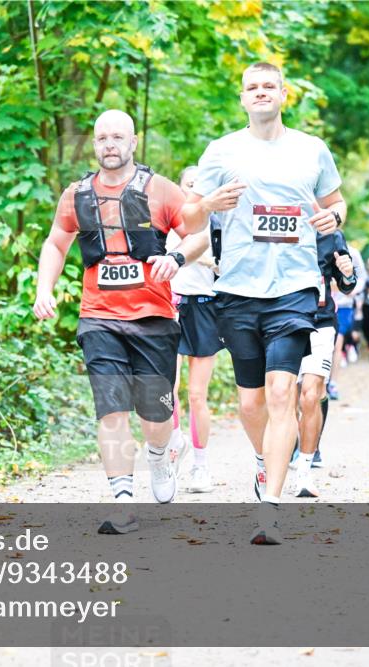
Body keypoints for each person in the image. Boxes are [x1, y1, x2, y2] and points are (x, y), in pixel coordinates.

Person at [181, 62, 344, 544]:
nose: (260, 93)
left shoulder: (311, 149)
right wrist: (209, 205)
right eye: (252, 87)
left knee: (281, 395)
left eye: (268, 86)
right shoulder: (221, 151)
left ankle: (270, 509)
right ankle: (262, 460)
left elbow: (336, 202)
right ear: (242, 97)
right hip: (236, 289)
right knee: (249, 402)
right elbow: (187, 217)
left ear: (283, 94)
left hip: (294, 289)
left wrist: (333, 220)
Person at [34, 109, 202, 535]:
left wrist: (175, 256)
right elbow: (56, 242)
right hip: (99, 318)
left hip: (154, 317)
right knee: (111, 409)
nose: (110, 145)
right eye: (102, 138)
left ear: (133, 142)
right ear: (95, 144)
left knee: (154, 417)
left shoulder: (161, 190)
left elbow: (200, 233)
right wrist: (44, 290)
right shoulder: (76, 194)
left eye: (118, 137)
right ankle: (123, 502)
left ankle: (162, 453)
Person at [167, 166, 223, 494]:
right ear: (179, 188)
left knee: (197, 394)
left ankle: (201, 465)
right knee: (166, 389)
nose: (194, 190)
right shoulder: (165, 225)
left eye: (201, 185)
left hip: (205, 309)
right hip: (170, 307)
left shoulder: (219, 226)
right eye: (189, 184)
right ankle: (175, 445)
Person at [294, 231, 357, 497]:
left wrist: (347, 272)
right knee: (287, 395)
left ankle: (304, 467)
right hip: (280, 321)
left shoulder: (330, 234)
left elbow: (347, 285)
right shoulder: (273, 225)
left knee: (312, 393)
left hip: (320, 322)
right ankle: (288, 449)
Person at [326, 243, 365, 399]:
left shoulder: (352, 252)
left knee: (337, 343)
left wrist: (351, 290)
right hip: (320, 305)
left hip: (342, 306)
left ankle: (333, 382)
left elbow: (361, 277)